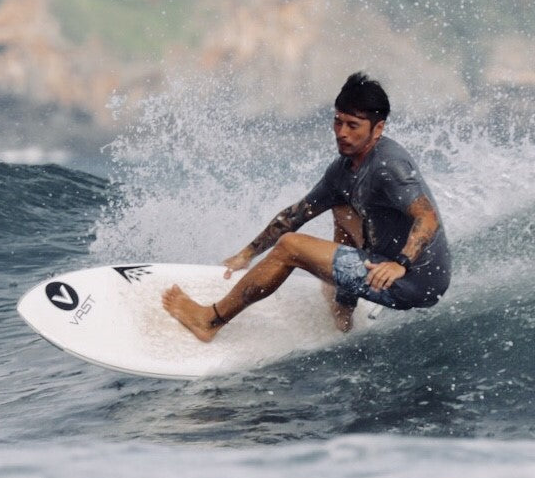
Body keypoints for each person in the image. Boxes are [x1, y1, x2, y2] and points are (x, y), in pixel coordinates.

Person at [162, 72, 451, 342]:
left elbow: (428, 218)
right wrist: (246, 254)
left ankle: (210, 321)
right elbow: (297, 214)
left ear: (378, 129)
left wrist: (400, 265)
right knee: (341, 208)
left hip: (415, 281)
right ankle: (343, 312)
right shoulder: (343, 170)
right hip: (384, 260)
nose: (341, 132)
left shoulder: (389, 165)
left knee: (291, 247)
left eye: (353, 125)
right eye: (338, 122)